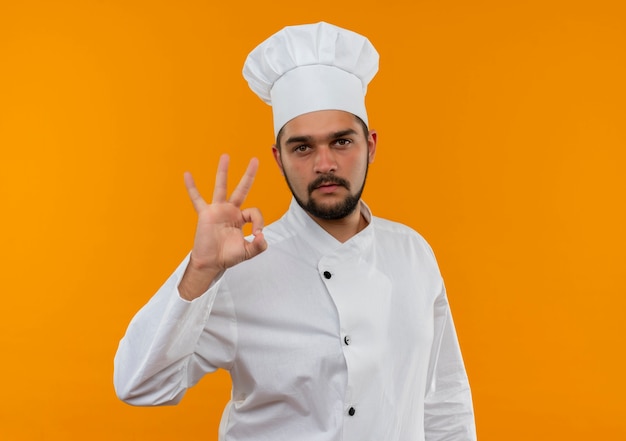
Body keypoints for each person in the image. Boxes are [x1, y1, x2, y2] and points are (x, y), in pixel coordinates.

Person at [114, 22, 476, 441]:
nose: (324, 164)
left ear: (371, 145)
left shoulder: (413, 254)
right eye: (302, 147)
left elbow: (444, 401)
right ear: (279, 158)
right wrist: (200, 270)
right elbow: (139, 386)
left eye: (341, 142)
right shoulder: (239, 267)